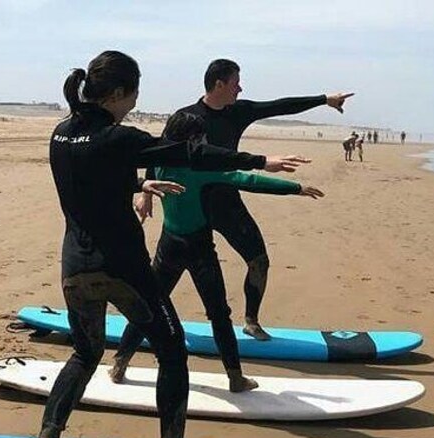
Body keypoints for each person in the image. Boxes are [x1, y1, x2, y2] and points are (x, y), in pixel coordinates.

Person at [35, 51, 307, 438]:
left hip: (74, 268)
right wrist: (255, 160)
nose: (136, 103)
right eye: (135, 93)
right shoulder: (120, 138)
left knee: (85, 353)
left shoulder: (61, 134)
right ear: (120, 93)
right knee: (172, 352)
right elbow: (191, 155)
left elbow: (92, 181)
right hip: (123, 269)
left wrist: (139, 182)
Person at [140, 59, 352, 341]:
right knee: (169, 272)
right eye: (235, 82)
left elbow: (279, 105)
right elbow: (161, 154)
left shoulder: (238, 112)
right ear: (219, 84)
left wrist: (325, 99)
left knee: (259, 260)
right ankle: (146, 324)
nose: (240, 88)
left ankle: (251, 320)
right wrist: (146, 193)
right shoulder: (187, 118)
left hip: (226, 199)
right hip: (191, 203)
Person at [111, 112, 323, 391]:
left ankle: (120, 363)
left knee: (149, 306)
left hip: (169, 246)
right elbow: (246, 180)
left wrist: (144, 193)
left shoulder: (159, 162)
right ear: (193, 139)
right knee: (219, 315)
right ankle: (235, 377)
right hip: (198, 249)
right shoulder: (199, 169)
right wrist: (295, 188)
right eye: (202, 136)